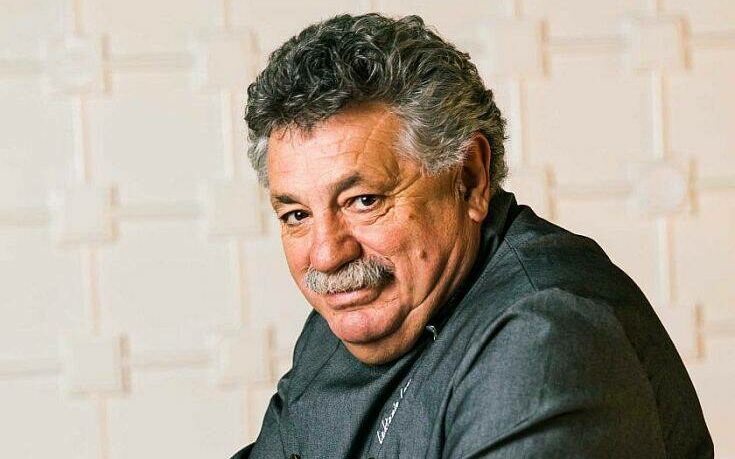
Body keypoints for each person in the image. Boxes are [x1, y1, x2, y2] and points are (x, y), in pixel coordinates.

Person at [231, 13, 713, 459]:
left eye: (364, 201)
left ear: (469, 179)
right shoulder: (354, 316)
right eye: (296, 214)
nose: (326, 255)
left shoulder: (545, 335)